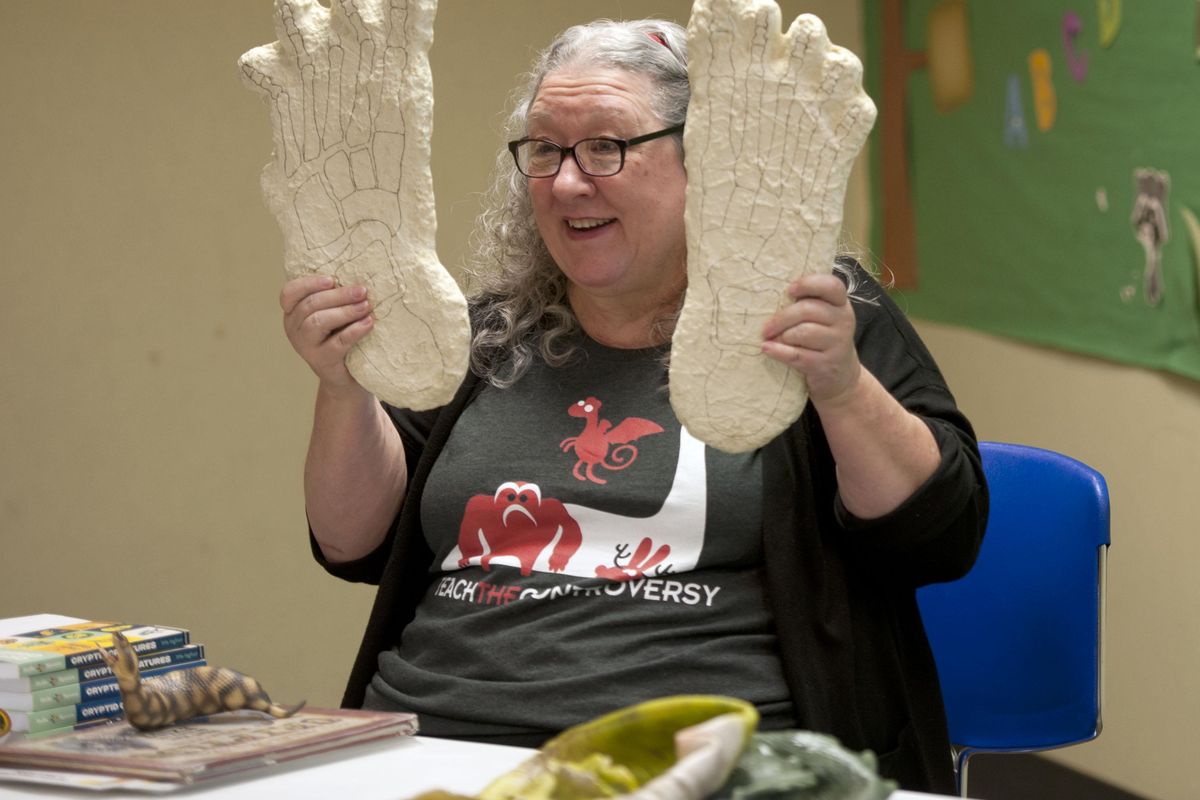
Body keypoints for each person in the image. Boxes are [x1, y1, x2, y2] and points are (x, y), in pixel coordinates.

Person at [279, 18, 987, 793]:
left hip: (698, 765)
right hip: (439, 745)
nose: (568, 181)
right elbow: (354, 545)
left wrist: (842, 385)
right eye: (545, 149)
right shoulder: (488, 336)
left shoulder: (819, 320)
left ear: (703, 158)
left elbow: (939, 535)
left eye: (608, 146)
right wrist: (342, 385)